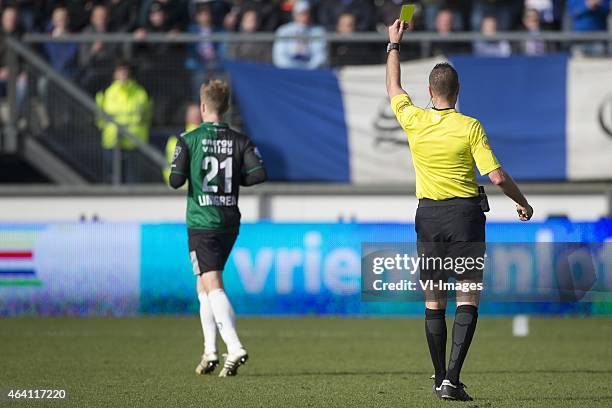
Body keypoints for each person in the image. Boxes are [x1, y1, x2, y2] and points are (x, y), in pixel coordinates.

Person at [386, 20, 533, 401]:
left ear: (429, 91)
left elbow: (393, 88)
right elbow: (497, 177)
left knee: (434, 300)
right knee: (467, 296)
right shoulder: (470, 127)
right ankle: (452, 377)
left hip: (429, 217)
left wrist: (393, 45)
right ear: (458, 92)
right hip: (465, 218)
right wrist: (522, 201)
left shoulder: (414, 119)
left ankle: (439, 379)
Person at [169, 80, 267, 377]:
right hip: (229, 220)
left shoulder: (189, 139)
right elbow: (259, 174)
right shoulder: (241, 140)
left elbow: (175, 181)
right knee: (204, 286)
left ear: (202, 108)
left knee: (212, 285)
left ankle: (234, 347)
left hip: (202, 221)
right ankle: (210, 351)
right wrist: (234, 180)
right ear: (226, 108)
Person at [96, 60, 152, 184]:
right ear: (114, 74)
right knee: (112, 179)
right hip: (112, 141)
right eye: (120, 71)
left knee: (133, 180)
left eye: (125, 71)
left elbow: (147, 115)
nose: (123, 74)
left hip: (134, 141)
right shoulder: (106, 93)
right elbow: (99, 117)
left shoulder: (140, 92)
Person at [272, 1, 327, 69]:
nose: (304, 17)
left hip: (310, 70)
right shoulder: (284, 30)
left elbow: (320, 56)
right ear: (294, 14)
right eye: (300, 14)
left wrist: (307, 68)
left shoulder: (318, 31)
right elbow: (279, 56)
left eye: (306, 13)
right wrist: (292, 67)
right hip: (288, 70)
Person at [79, 4, 119, 94]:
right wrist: (93, 50)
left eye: (104, 16)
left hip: (110, 72)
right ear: (92, 19)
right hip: (92, 73)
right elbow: (83, 62)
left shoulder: (114, 33)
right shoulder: (86, 34)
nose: (102, 19)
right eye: (98, 17)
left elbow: (118, 56)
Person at [164, 103, 201, 184]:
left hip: (173, 184)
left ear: (187, 118)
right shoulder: (204, 138)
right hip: (195, 188)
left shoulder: (174, 139)